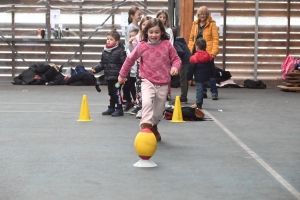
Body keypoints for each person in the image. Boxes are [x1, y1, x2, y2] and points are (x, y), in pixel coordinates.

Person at [118, 18, 181, 141]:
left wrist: (175, 67)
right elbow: (130, 60)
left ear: (162, 32)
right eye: (151, 32)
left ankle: (154, 126)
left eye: (157, 32)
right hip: (147, 80)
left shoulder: (167, 45)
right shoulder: (142, 46)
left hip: (163, 83)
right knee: (146, 103)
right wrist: (122, 75)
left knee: (158, 112)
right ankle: (145, 127)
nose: (154, 35)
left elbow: (176, 59)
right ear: (146, 32)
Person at [91, 30, 127, 117]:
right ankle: (111, 107)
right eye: (107, 39)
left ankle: (119, 108)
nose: (108, 41)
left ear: (117, 42)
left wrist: (124, 76)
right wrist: (96, 68)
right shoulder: (105, 51)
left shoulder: (120, 51)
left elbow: (125, 64)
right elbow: (103, 63)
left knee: (116, 93)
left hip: (117, 77)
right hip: (108, 76)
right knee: (111, 92)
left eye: (111, 39)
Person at [188, 5, 219, 101]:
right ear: (198, 14)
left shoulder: (212, 24)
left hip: (208, 52)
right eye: (201, 14)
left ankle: (214, 92)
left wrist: (213, 52)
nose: (202, 16)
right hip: (197, 51)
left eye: (204, 14)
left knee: (211, 72)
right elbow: (191, 38)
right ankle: (203, 91)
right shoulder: (195, 24)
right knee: (200, 72)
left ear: (207, 14)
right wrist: (190, 50)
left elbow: (215, 39)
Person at [128, 16, 152, 119]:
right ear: (140, 26)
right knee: (139, 86)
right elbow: (133, 53)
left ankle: (151, 107)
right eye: (143, 24)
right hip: (140, 66)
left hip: (151, 66)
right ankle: (140, 106)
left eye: (148, 25)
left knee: (150, 87)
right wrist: (130, 44)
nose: (145, 27)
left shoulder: (153, 37)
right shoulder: (137, 38)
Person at [187, 38, 216, 109]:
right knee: (203, 88)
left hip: (198, 77)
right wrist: (213, 76)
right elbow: (212, 67)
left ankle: (198, 103)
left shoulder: (194, 58)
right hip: (207, 76)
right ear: (205, 47)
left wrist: (189, 78)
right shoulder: (209, 57)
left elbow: (190, 69)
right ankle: (214, 93)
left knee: (199, 90)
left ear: (197, 47)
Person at [156, 10, 174, 107]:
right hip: (156, 57)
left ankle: (167, 96)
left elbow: (171, 43)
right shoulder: (154, 29)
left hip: (165, 57)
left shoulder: (169, 30)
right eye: (160, 17)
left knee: (166, 77)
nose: (162, 19)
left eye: (164, 17)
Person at [172, 27, 191, 103]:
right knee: (185, 79)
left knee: (183, 79)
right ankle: (184, 95)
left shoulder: (175, 42)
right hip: (188, 59)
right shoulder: (181, 40)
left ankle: (183, 97)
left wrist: (177, 60)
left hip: (184, 61)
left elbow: (180, 52)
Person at [123, 29, 139, 112]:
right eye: (130, 36)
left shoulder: (139, 46)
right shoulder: (128, 48)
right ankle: (129, 102)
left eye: (133, 36)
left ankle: (137, 104)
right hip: (131, 72)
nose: (132, 38)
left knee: (136, 89)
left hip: (138, 72)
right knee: (125, 87)